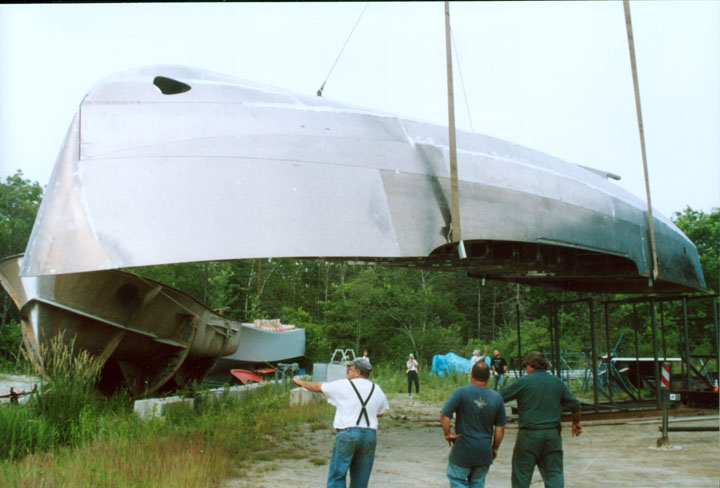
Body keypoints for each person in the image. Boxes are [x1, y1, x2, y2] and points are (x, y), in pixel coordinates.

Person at [292, 357, 388, 488]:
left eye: (350, 368)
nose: (347, 370)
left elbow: (318, 387)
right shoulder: (376, 389)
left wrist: (300, 382)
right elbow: (381, 412)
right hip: (370, 436)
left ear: (358, 373)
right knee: (361, 479)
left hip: (348, 434)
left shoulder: (344, 385)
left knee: (337, 475)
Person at [501, 351, 582, 488]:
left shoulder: (523, 382)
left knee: (522, 474)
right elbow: (576, 405)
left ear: (530, 365)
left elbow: (499, 397)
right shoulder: (557, 382)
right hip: (552, 435)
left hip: (528, 435)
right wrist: (576, 423)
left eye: (526, 366)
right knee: (554, 474)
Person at [440, 361, 506, 488]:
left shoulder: (460, 392)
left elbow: (445, 415)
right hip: (484, 450)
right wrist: (495, 448)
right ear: (488, 377)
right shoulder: (497, 398)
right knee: (478, 482)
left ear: (471, 375)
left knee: (457, 479)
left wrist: (447, 434)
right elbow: (500, 429)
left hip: (463, 449)